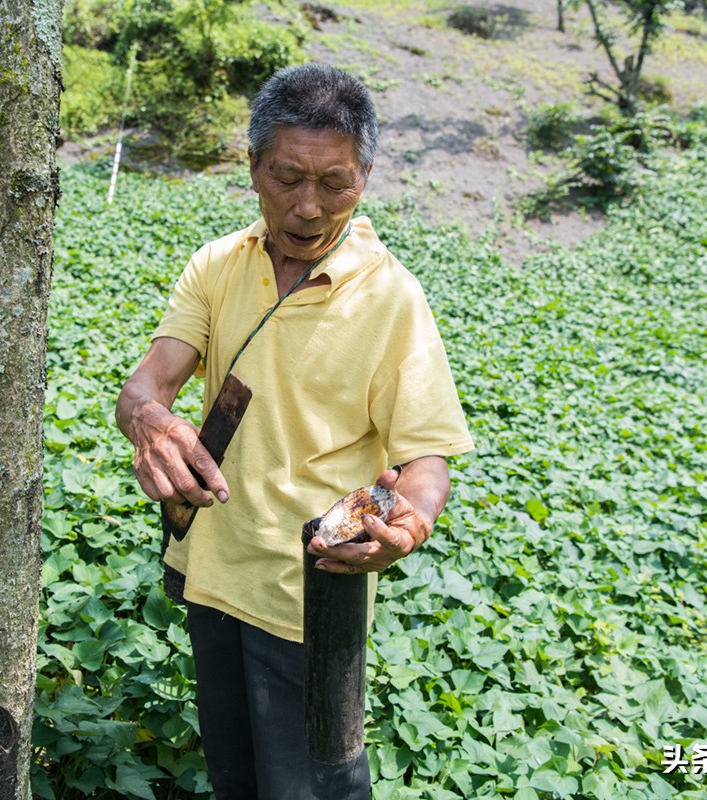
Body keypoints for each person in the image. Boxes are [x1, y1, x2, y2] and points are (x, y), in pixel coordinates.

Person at [115, 63, 474, 799]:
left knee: (315, 783)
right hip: (211, 568)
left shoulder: (392, 299)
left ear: (365, 177)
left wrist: (414, 522)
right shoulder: (217, 265)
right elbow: (151, 381)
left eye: (334, 183)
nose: (308, 207)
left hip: (311, 593)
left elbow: (424, 453)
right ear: (251, 167)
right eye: (286, 178)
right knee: (236, 773)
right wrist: (148, 419)